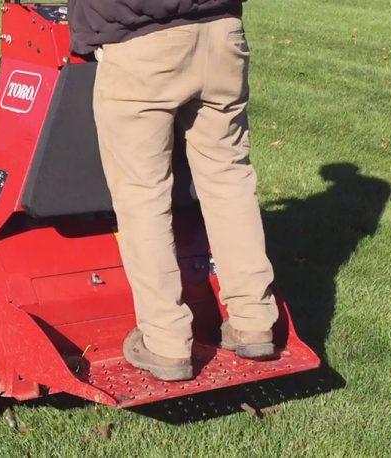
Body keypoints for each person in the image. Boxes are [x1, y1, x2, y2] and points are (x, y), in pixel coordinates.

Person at [69, 0, 278, 381]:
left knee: (142, 195)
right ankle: (254, 319)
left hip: (141, 43)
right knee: (229, 178)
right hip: (221, 35)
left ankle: (166, 342)